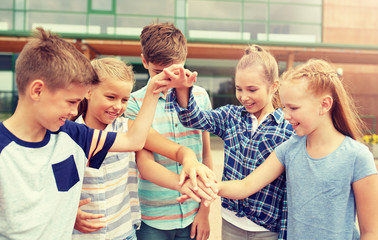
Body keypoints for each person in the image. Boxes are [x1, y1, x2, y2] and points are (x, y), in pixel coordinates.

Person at [0, 27, 203, 240]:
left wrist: (153, 89)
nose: (72, 111)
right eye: (71, 102)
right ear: (37, 90)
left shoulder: (73, 134)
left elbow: (134, 140)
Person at [216, 59, 378, 239]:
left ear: (324, 104)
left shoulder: (358, 156)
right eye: (285, 107)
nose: (286, 116)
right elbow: (246, 186)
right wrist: (209, 186)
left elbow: (370, 233)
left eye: (293, 108)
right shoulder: (288, 150)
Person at [71, 58, 216, 240]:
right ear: (88, 91)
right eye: (111, 97)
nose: (118, 106)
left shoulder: (129, 128)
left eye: (124, 99)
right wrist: (68, 213)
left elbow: (180, 151)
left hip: (125, 233)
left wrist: (189, 160)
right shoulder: (70, 134)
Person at [168, 45, 295, 240]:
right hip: (230, 222)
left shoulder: (288, 128)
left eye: (252, 89)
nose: (244, 97)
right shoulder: (231, 116)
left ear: (274, 86)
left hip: (267, 228)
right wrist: (183, 88)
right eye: (239, 89)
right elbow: (193, 118)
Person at [125, 22, 214, 240]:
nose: (168, 80)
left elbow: (206, 155)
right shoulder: (133, 104)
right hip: (152, 219)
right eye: (158, 72)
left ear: (184, 60)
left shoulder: (200, 97)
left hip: (193, 214)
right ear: (144, 61)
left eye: (175, 72)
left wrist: (205, 212)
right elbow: (145, 165)